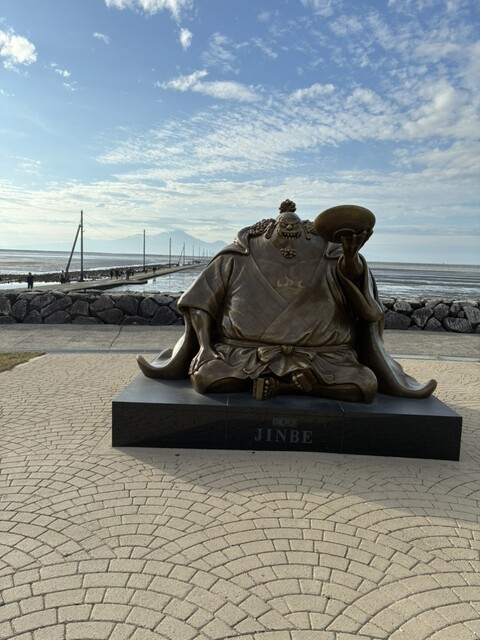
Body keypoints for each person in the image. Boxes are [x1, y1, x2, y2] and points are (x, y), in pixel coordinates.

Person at [138, 200, 436, 403]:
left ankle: (286, 386)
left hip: (323, 358)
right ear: (267, 231)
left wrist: (350, 257)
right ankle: (298, 385)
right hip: (245, 355)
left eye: (296, 236)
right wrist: (204, 347)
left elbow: (365, 304)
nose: (289, 242)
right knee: (206, 376)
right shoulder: (235, 256)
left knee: (366, 383)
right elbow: (199, 303)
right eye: (283, 234)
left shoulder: (334, 255)